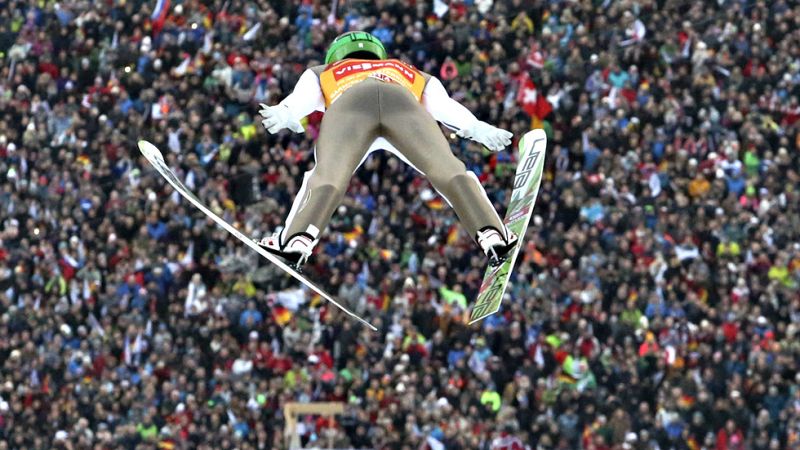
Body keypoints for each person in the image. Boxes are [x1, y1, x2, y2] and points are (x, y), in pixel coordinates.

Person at [256, 31, 517, 267]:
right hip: (402, 103)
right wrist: (476, 126)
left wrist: (286, 111)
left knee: (328, 176)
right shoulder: (407, 70)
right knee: (448, 169)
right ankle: (491, 232)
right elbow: (443, 106)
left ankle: (296, 239)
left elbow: (302, 98)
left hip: (350, 105)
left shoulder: (324, 70)